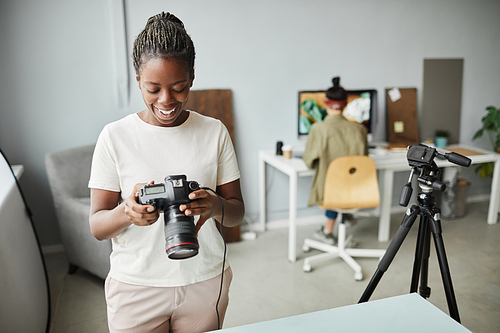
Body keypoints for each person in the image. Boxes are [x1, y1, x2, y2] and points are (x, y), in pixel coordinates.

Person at [88, 12, 245, 333]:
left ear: (192, 77)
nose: (166, 100)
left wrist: (214, 205)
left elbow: (236, 214)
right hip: (135, 284)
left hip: (204, 278)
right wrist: (127, 213)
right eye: (153, 88)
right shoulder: (114, 136)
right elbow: (97, 227)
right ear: (137, 80)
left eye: (178, 87)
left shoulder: (214, 131)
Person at [302, 77, 368, 245]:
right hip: (355, 188)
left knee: (331, 183)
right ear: (346, 104)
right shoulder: (359, 129)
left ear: (325, 103)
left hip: (330, 191)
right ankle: (345, 218)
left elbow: (309, 161)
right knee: (345, 181)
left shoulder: (318, 129)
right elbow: (364, 161)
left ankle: (328, 230)